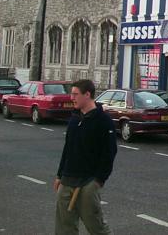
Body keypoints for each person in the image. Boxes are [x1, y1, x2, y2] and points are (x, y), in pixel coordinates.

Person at [54, 79, 117, 235]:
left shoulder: (104, 121)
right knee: (64, 228)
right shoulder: (74, 120)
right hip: (67, 179)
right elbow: (67, 149)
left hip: (88, 182)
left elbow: (109, 153)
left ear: (87, 94)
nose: (71, 98)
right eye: (71, 94)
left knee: (97, 228)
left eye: (75, 94)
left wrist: (98, 180)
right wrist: (59, 175)